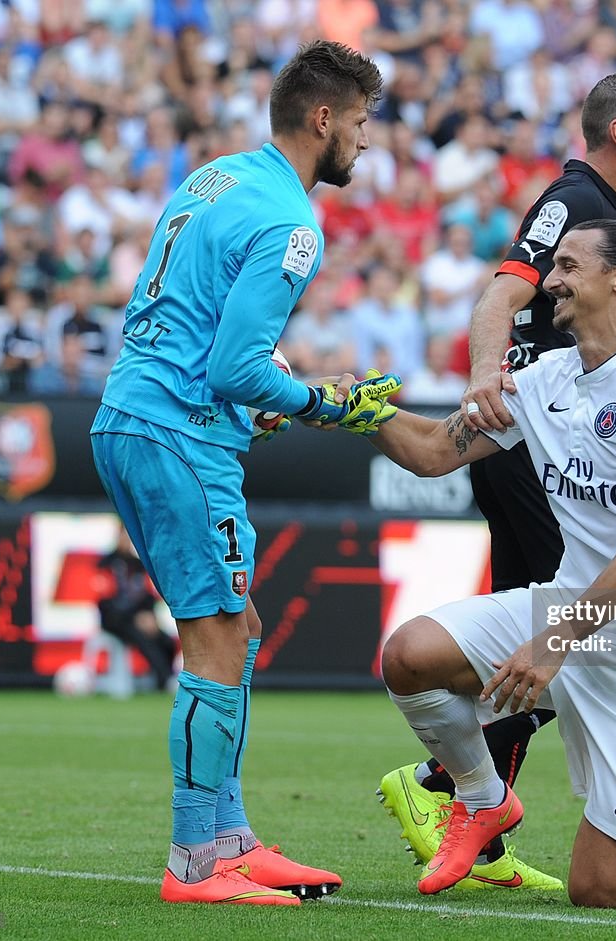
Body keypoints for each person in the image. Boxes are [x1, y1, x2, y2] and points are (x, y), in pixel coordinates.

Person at [89, 40, 398, 906]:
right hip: (178, 435)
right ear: (324, 119)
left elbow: (187, 328)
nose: (367, 144)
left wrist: (254, 398)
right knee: (218, 638)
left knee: (239, 624)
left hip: (134, 415)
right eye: (363, 124)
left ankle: (229, 835)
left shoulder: (216, 178)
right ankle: (196, 861)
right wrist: (325, 400)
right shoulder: (292, 222)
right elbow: (234, 366)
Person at [363, 219, 616, 907]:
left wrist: (551, 642)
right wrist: (351, 411)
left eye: (567, 265)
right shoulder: (547, 379)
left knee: (601, 889)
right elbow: (431, 451)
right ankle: (483, 798)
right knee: (408, 654)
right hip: (569, 610)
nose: (551, 280)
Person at [376, 73, 616, 889]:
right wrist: (485, 375)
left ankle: (476, 809)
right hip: (528, 438)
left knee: (549, 645)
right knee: (552, 644)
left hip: (541, 435)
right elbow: (501, 292)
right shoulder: (577, 202)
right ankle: (452, 790)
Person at [95, 524, 177, 692]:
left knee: (166, 640)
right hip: (115, 621)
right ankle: (165, 678)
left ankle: (163, 679)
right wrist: (135, 616)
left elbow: (148, 597)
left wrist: (149, 616)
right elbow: (106, 603)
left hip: (140, 618)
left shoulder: (138, 565)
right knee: (141, 637)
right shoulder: (105, 564)